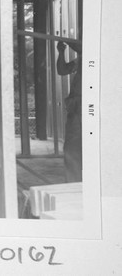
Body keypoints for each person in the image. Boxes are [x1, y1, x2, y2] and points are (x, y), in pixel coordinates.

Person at [56, 41, 82, 182]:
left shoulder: (95, 58)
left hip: (91, 109)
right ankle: (74, 183)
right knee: (72, 148)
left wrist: (74, 44)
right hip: (77, 108)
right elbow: (62, 70)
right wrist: (61, 52)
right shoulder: (81, 59)